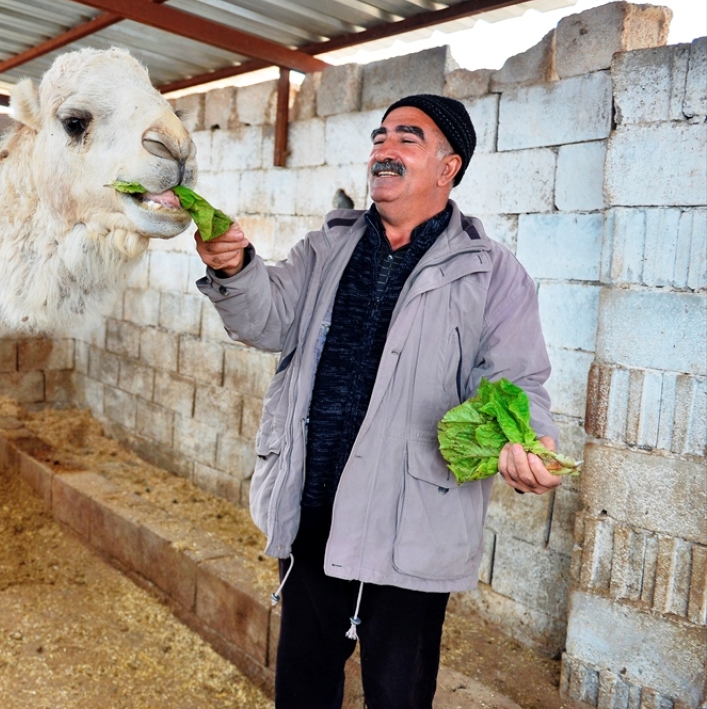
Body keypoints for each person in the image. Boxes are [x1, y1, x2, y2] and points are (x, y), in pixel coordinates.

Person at [194, 94, 562, 708]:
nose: (383, 150)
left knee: (398, 695)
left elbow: (517, 381)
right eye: (379, 136)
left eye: (407, 138)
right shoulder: (327, 247)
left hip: (412, 527)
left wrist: (526, 441)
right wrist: (236, 271)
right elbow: (269, 320)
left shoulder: (493, 274)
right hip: (315, 511)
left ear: (449, 166)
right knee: (305, 687)